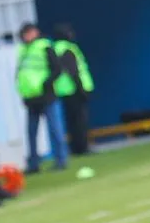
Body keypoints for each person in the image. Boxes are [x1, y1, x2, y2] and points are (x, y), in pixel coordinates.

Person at [16, 23, 68, 173]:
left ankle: (61, 160)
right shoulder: (23, 50)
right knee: (31, 132)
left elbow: (57, 69)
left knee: (55, 129)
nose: (26, 37)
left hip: (47, 96)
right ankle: (34, 164)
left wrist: (46, 84)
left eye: (28, 33)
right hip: (31, 98)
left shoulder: (45, 46)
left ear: (35, 32)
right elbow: (22, 74)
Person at [52, 23, 95, 156]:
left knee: (71, 121)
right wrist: (81, 88)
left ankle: (76, 147)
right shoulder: (67, 49)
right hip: (75, 90)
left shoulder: (55, 49)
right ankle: (82, 147)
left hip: (64, 90)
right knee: (80, 120)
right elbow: (73, 71)